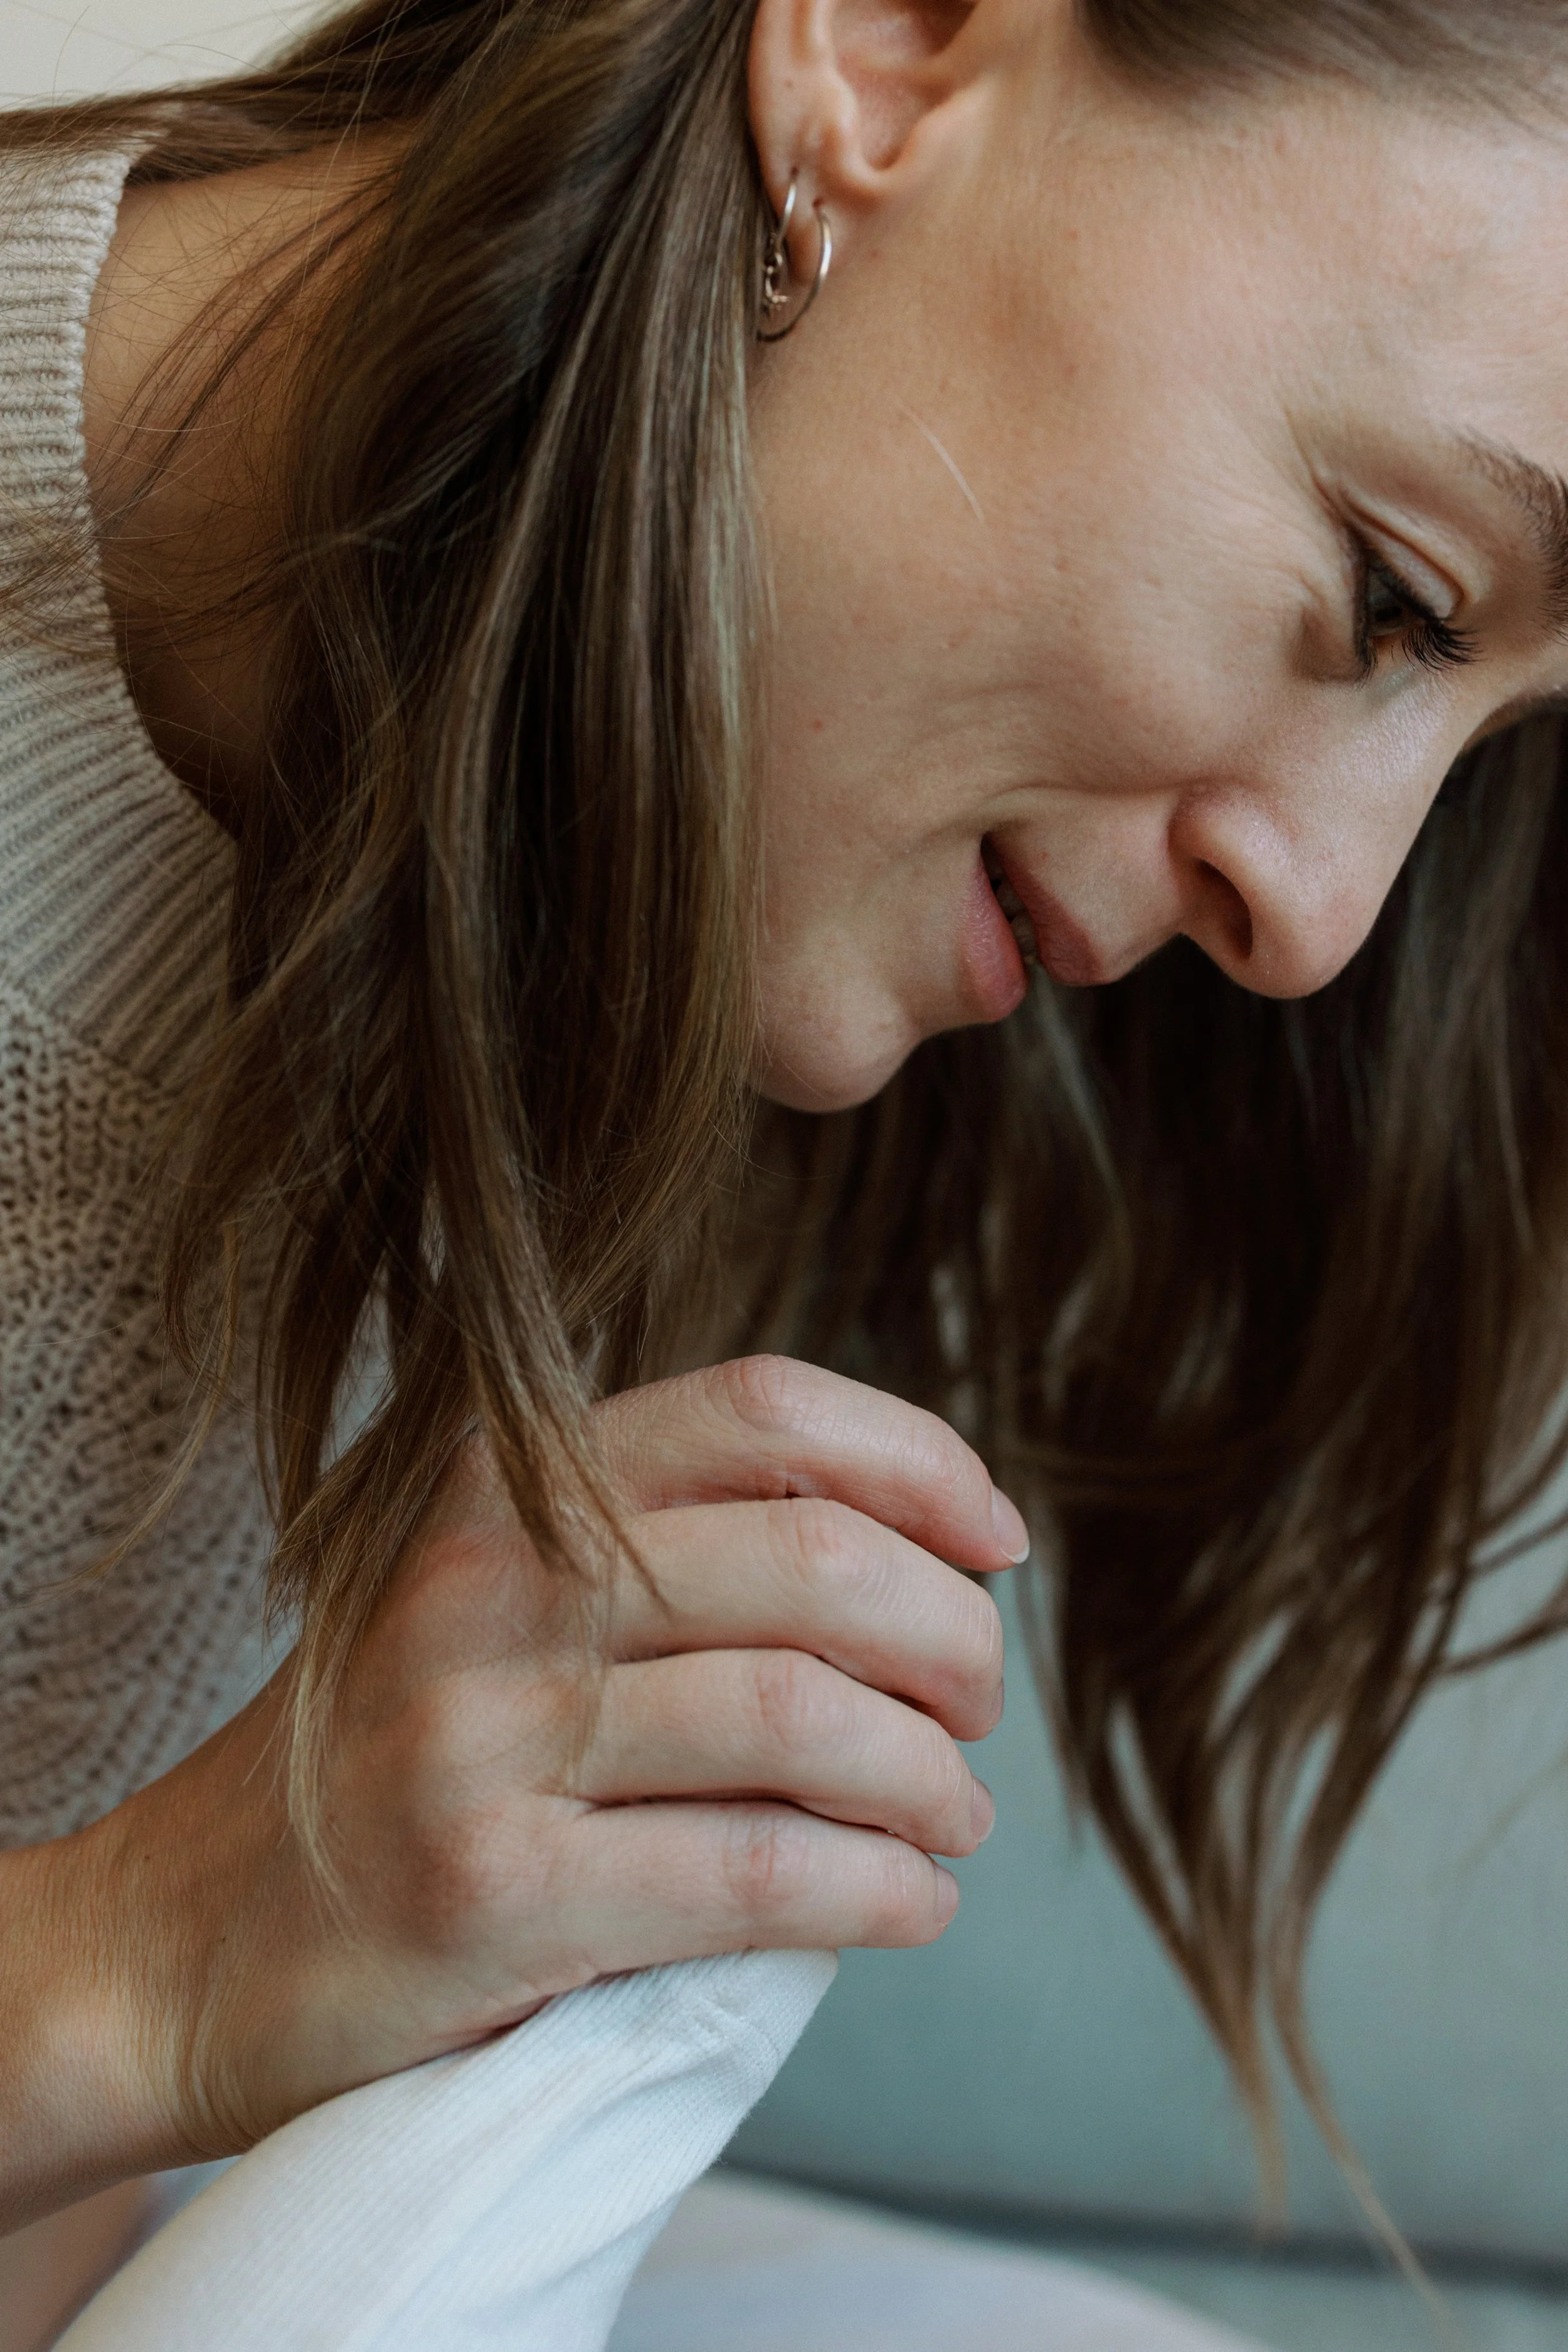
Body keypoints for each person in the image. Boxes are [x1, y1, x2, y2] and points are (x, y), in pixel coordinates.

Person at [7, 0, 1568, 2336]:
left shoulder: (612, 840)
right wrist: (137, 1952)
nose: (1325, 919)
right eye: (1390, 593)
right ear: (891, 52)